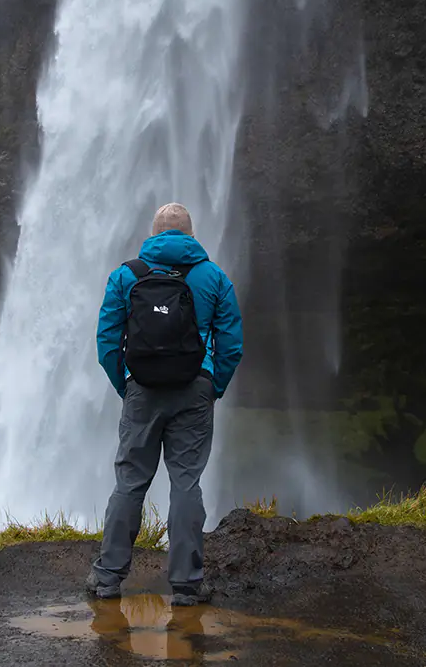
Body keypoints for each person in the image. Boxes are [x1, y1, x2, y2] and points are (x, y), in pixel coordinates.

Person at [86, 202, 244, 606]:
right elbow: (231, 344)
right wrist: (212, 384)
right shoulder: (213, 277)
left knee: (129, 483)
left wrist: (127, 384)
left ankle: (107, 578)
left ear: (154, 234)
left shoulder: (126, 275)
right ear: (190, 235)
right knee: (186, 483)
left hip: (141, 388)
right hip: (194, 391)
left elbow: (107, 340)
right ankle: (187, 585)